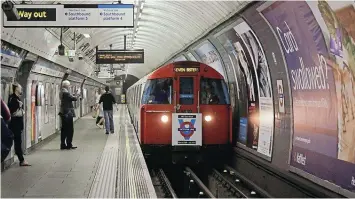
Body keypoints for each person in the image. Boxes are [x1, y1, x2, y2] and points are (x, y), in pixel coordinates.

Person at [8, 83, 30, 166]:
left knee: (18, 141)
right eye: (20, 88)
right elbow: (12, 112)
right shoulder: (13, 98)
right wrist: (19, 107)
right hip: (14, 124)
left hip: (18, 124)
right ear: (16, 88)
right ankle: (21, 160)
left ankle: (21, 159)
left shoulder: (17, 98)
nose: (21, 89)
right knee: (17, 142)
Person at [59, 80, 79, 150]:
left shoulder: (61, 92)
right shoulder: (66, 93)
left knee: (64, 129)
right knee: (70, 129)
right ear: (66, 86)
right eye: (69, 85)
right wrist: (77, 94)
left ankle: (63, 144)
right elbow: (74, 98)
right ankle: (69, 144)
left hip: (63, 112)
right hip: (68, 113)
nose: (69, 86)